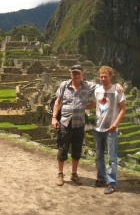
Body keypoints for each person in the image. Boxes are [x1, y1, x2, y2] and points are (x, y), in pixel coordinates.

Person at [52, 64, 97, 186]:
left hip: (79, 124)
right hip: (65, 123)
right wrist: (54, 117)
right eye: (74, 73)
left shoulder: (88, 86)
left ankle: (74, 174)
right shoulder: (64, 85)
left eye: (78, 73)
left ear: (82, 74)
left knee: (77, 150)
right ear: (70, 74)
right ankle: (60, 174)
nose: (76, 75)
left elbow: (104, 86)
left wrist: (117, 86)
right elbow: (57, 101)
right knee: (63, 148)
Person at [89, 66, 125, 194]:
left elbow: (123, 109)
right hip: (98, 128)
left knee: (111, 157)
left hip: (111, 129)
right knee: (99, 155)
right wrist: (79, 106)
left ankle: (112, 183)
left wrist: (115, 124)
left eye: (106, 76)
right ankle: (101, 178)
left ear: (111, 77)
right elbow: (93, 105)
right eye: (101, 76)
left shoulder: (117, 91)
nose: (103, 79)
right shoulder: (97, 90)